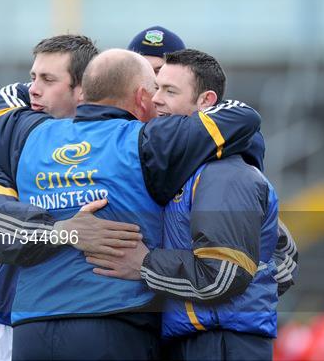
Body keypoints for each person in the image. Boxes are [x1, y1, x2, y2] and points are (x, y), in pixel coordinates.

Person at [0, 48, 260, 360]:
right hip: (115, 323)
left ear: (84, 91)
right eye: (155, 90)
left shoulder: (27, 134)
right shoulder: (151, 140)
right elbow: (242, 116)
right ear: (142, 97)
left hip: (31, 329)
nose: (157, 100)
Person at [85, 49, 298, 361]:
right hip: (200, 337)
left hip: (221, 342)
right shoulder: (189, 170)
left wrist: (146, 264)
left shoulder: (224, 172)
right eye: (156, 88)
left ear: (206, 102)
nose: (157, 99)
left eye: (170, 91)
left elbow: (227, 274)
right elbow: (277, 257)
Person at [0, 35, 144, 361]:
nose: (33, 89)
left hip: (104, 323)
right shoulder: (2, 148)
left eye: (48, 80)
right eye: (33, 77)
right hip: (10, 321)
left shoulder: (122, 142)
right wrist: (65, 230)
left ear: (83, 90)